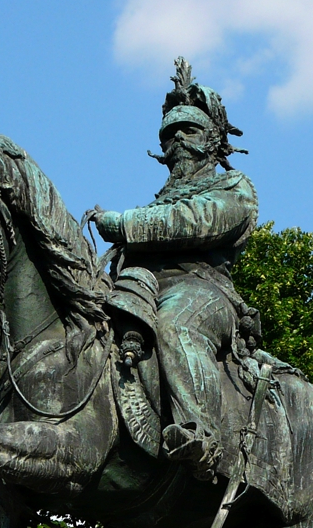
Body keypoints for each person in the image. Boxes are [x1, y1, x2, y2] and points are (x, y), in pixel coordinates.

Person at [90, 58, 258, 480]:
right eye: (169, 133)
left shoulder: (233, 189)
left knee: (176, 324)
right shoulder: (155, 201)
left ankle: (200, 434)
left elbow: (196, 220)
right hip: (141, 287)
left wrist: (125, 224)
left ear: (213, 139)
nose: (178, 138)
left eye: (189, 130)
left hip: (202, 292)